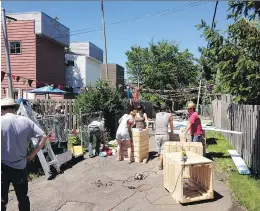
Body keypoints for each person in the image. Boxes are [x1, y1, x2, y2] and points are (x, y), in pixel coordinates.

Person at [1, 98, 47, 211]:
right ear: (15, 108)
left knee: (2, 200)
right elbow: (44, 137)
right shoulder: (25, 121)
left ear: (2, 110)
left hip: (2, 167)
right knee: (23, 198)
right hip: (20, 166)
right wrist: (32, 154)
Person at [155, 104, 173, 170]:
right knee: (163, 150)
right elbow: (171, 123)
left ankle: (160, 160)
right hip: (164, 134)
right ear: (166, 109)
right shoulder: (169, 115)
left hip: (157, 134)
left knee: (159, 150)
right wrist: (172, 131)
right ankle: (161, 164)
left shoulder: (157, 114)